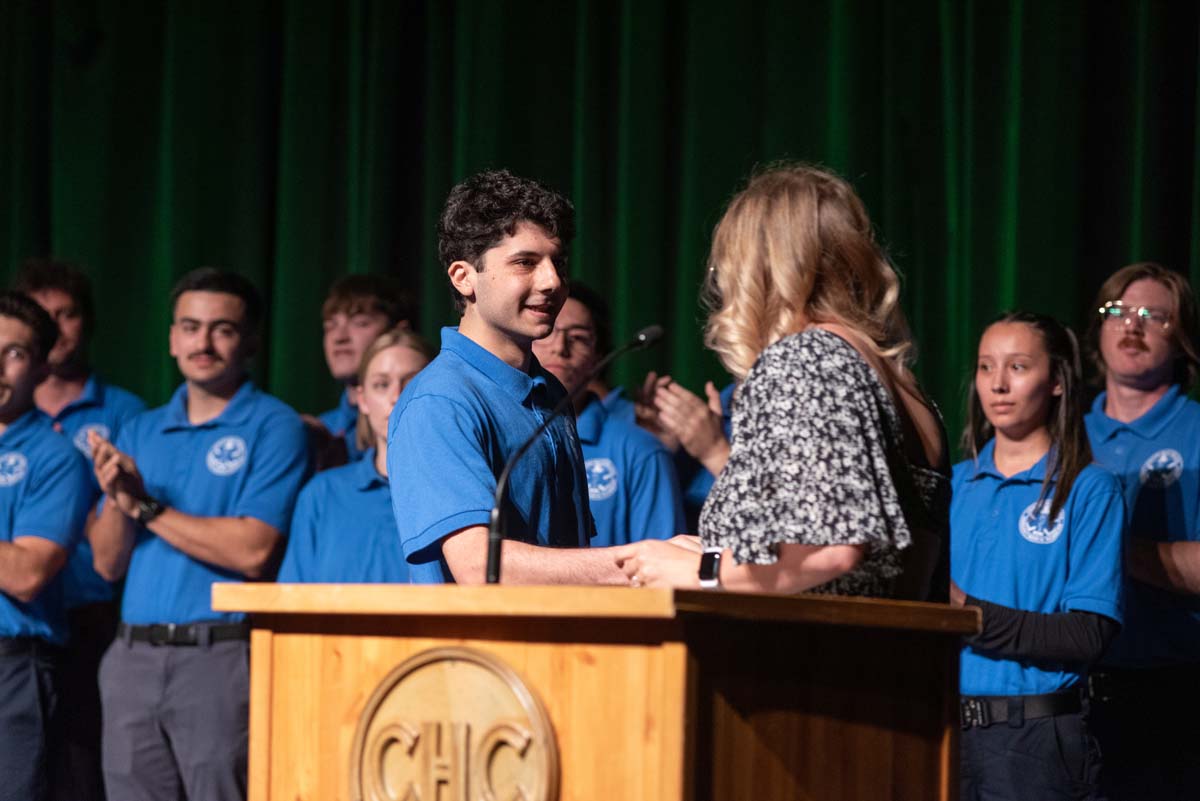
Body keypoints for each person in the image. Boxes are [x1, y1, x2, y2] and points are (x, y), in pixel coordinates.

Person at [614, 164, 949, 598]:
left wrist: (704, 569)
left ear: (756, 268)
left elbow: (829, 550)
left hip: (800, 657)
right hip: (884, 657)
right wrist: (721, 553)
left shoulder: (808, 359)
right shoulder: (896, 378)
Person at [87, 268, 309, 801]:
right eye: (190, 327)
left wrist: (144, 505)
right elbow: (106, 564)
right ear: (171, 338)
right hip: (131, 657)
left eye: (222, 329)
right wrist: (120, 499)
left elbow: (253, 550)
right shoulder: (140, 428)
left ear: (250, 341)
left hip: (217, 656)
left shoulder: (274, 425)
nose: (202, 342)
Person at [388, 169, 632, 584]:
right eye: (525, 263)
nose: (553, 281)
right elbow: (479, 567)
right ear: (464, 277)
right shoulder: (440, 401)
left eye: (559, 262)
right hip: (481, 650)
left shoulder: (550, 390)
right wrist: (636, 564)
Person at [950, 312, 1124, 800]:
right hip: (944, 729)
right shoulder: (955, 485)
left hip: (1036, 739)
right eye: (986, 367)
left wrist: (967, 614)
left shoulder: (1089, 489)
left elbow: (1088, 633)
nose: (998, 385)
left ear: (1057, 383)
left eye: (1018, 367)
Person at [15, 259, 146, 801]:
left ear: (86, 324)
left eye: (66, 315)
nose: (55, 327)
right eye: (42, 315)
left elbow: (121, 515)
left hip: (90, 620)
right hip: (20, 622)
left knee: (80, 772)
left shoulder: (124, 411)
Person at [1081, 262, 1200, 799]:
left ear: (1184, 339)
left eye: (1155, 316)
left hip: (1173, 692)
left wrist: (1105, 550)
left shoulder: (1195, 432)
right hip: (1069, 694)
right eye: (1118, 312)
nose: (1132, 327)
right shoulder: (1062, 435)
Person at [0, 291, 92, 801]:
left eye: (13, 353)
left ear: (39, 368)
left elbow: (28, 573)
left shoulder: (55, 457)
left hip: (11, 666)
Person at [530, 282, 686, 546]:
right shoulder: (504, 434)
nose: (560, 347)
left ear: (597, 355)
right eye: (548, 333)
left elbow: (665, 567)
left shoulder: (640, 451)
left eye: (578, 337)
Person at [280, 328, 433, 582]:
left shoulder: (458, 488)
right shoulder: (322, 495)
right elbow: (289, 602)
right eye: (381, 385)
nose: (396, 397)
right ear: (362, 399)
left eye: (412, 383)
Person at [314, 275, 413, 466]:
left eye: (360, 323)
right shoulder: (322, 429)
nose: (339, 337)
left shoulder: (422, 420)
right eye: (330, 325)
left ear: (399, 331)